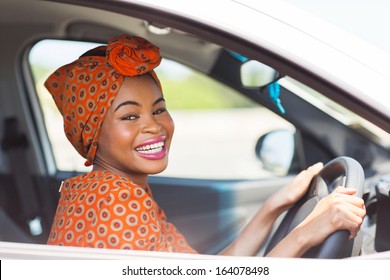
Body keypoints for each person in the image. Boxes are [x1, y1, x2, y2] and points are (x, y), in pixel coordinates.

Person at [45, 34, 366, 257]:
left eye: (159, 109)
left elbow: (212, 270)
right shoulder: (115, 199)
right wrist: (307, 233)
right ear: (91, 133)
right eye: (129, 116)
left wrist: (275, 205)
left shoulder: (98, 190)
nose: (154, 125)